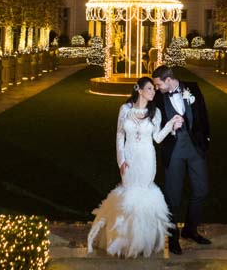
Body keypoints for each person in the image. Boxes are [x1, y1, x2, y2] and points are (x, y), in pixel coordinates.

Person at [87, 76, 185, 258]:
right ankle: (124, 240)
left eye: (154, 89)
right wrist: (121, 160)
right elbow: (119, 136)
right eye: (149, 89)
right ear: (139, 90)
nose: (153, 92)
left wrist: (171, 125)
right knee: (128, 195)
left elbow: (157, 138)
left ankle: (142, 242)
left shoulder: (155, 113)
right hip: (130, 158)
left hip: (147, 159)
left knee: (143, 194)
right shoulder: (124, 110)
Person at [151, 64, 211, 256]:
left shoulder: (192, 88)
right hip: (173, 150)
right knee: (173, 197)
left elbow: (203, 115)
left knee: (201, 190)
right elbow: (141, 100)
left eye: (159, 84)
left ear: (168, 80)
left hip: (195, 149)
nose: (157, 87)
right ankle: (173, 237)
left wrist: (206, 141)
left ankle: (190, 229)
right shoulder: (159, 97)